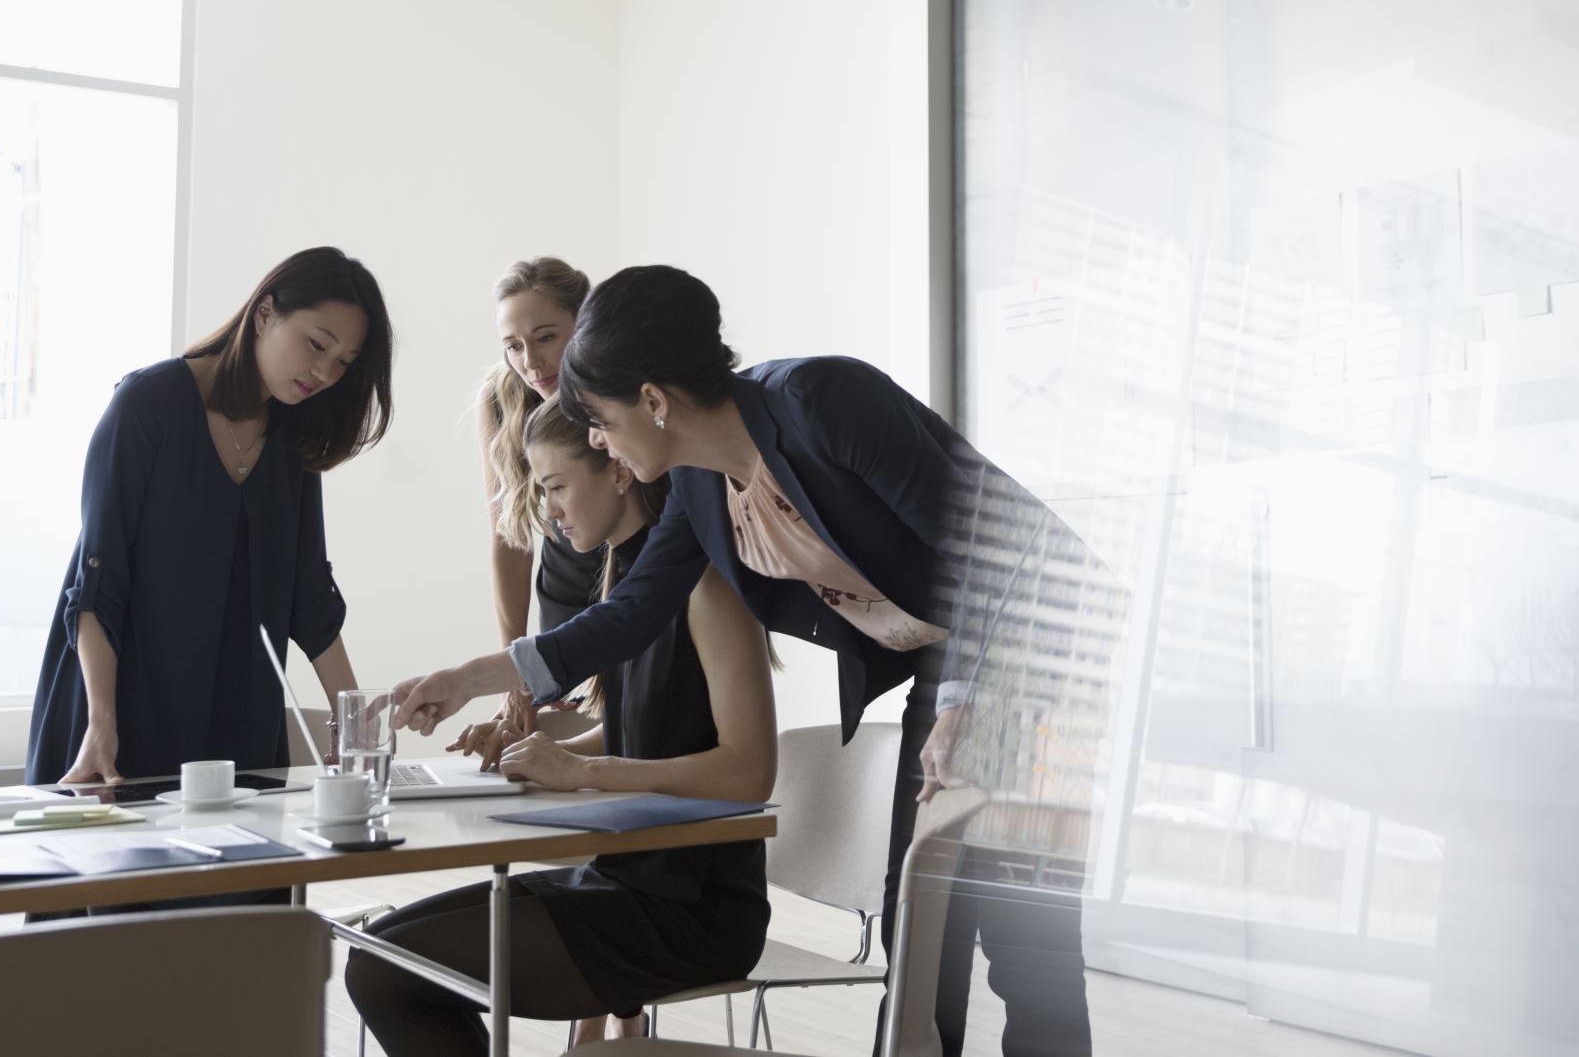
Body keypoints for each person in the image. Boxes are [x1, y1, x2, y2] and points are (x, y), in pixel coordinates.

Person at [392, 265, 1098, 1057]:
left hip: (1042, 645)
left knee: (1020, 940)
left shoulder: (824, 402)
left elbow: (1000, 548)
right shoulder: (701, 481)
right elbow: (628, 614)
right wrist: (469, 679)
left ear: (653, 400)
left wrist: (971, 697)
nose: (597, 440)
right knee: (922, 936)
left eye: (601, 420)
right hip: (953, 663)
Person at [347, 402, 776, 1054]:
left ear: (620, 471)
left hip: (691, 911)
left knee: (385, 970)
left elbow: (748, 772)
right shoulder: (623, 577)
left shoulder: (706, 585)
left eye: (555, 486)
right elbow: (645, 729)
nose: (547, 510)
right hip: (626, 880)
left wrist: (581, 771)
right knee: (377, 955)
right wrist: (542, 750)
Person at [26, 246, 393, 785]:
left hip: (237, 723)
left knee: (250, 869)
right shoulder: (148, 405)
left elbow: (308, 594)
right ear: (265, 312)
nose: (323, 371)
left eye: (343, 362)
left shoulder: (293, 438)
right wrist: (101, 724)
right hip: (121, 717)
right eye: (317, 343)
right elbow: (96, 588)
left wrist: (356, 727)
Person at [475, 257, 604, 745]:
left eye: (546, 337)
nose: (530, 361)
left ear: (584, 323)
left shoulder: (621, 391)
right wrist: (517, 667)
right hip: (563, 599)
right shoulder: (502, 397)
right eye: (514, 345)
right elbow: (509, 540)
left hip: (633, 591)